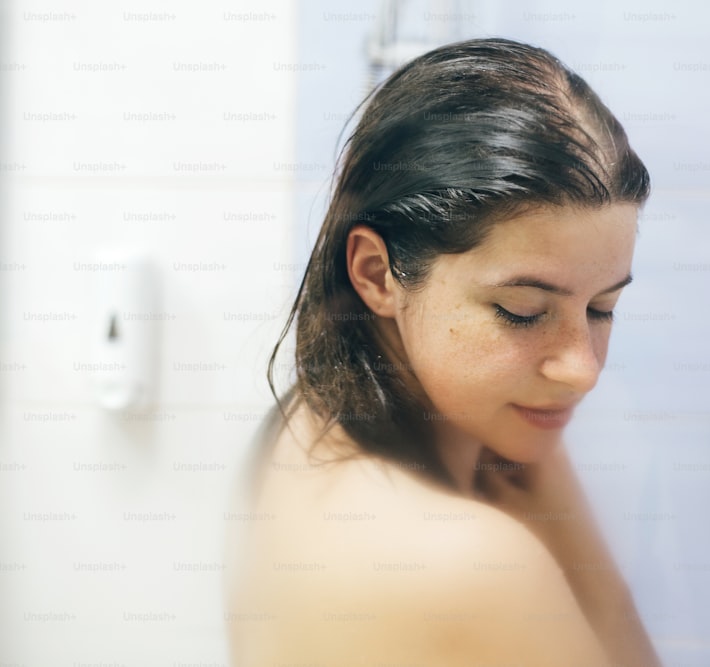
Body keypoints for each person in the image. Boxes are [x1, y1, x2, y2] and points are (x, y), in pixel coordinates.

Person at [223, 37, 662, 666]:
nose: (582, 370)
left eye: (602, 310)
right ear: (376, 274)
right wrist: (568, 531)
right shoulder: (473, 564)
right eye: (523, 312)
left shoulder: (304, 422)